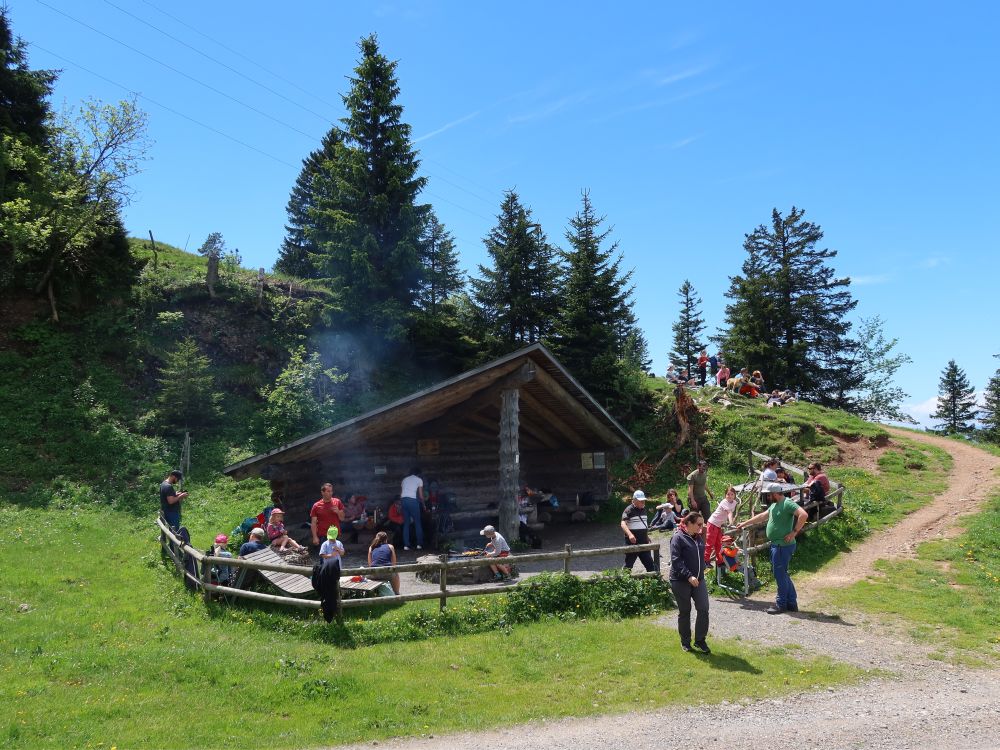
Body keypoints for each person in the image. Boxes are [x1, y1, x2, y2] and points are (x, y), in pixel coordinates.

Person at [736, 483, 808, 614]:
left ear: (774, 493)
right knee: (783, 574)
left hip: (782, 546)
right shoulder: (775, 505)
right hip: (778, 545)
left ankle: (781, 604)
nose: (768, 497)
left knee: (780, 575)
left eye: (769, 495)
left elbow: (803, 514)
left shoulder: (787, 503)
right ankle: (791, 603)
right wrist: (744, 523)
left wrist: (794, 532)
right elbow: (762, 516)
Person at [669, 512, 710, 654]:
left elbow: (699, 557)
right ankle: (685, 642)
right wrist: (688, 576)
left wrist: (703, 568)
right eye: (699, 524)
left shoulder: (698, 537)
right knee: (685, 611)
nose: (702, 526)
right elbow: (676, 561)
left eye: (702, 523)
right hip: (681, 581)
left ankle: (700, 640)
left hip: (699, 580)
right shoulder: (677, 538)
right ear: (689, 524)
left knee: (703, 608)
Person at [620, 490, 656, 573]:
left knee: (650, 564)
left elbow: (643, 525)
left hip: (644, 542)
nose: (643, 502)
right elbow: (623, 524)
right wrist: (630, 535)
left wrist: (646, 536)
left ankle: (655, 581)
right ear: (634, 500)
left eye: (643, 500)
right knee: (628, 565)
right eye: (641, 501)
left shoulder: (644, 509)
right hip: (632, 542)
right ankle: (623, 581)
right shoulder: (628, 510)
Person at [705, 486, 738, 566]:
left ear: (734, 495)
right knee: (710, 542)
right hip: (713, 523)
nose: (729, 496)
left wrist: (729, 522)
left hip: (718, 525)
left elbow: (730, 513)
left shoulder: (734, 502)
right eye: (728, 494)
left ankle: (719, 561)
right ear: (725, 495)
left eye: (732, 494)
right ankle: (705, 560)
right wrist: (731, 523)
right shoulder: (724, 502)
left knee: (718, 543)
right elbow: (729, 513)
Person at [310, 483, 345, 548]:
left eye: (331, 491)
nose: (331, 493)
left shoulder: (337, 502)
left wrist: (338, 512)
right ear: (322, 492)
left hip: (335, 534)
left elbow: (342, 518)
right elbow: (313, 523)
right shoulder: (316, 506)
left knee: (336, 556)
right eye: (328, 491)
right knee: (324, 556)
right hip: (323, 535)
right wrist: (315, 537)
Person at [686, 460, 715, 537]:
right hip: (694, 499)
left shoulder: (704, 473)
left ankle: (708, 534)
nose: (703, 470)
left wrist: (709, 493)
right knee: (694, 519)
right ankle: (693, 535)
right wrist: (692, 501)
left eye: (704, 469)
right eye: (701, 469)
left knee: (707, 515)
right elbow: (690, 490)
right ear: (698, 467)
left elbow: (704, 484)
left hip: (703, 498)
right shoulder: (692, 476)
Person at [400, 467, 425, 551]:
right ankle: (419, 544)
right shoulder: (419, 480)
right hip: (412, 501)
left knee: (406, 523)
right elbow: (421, 496)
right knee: (417, 522)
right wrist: (424, 505)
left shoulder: (404, 480)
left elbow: (403, 492)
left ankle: (406, 545)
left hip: (403, 500)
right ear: (418, 474)